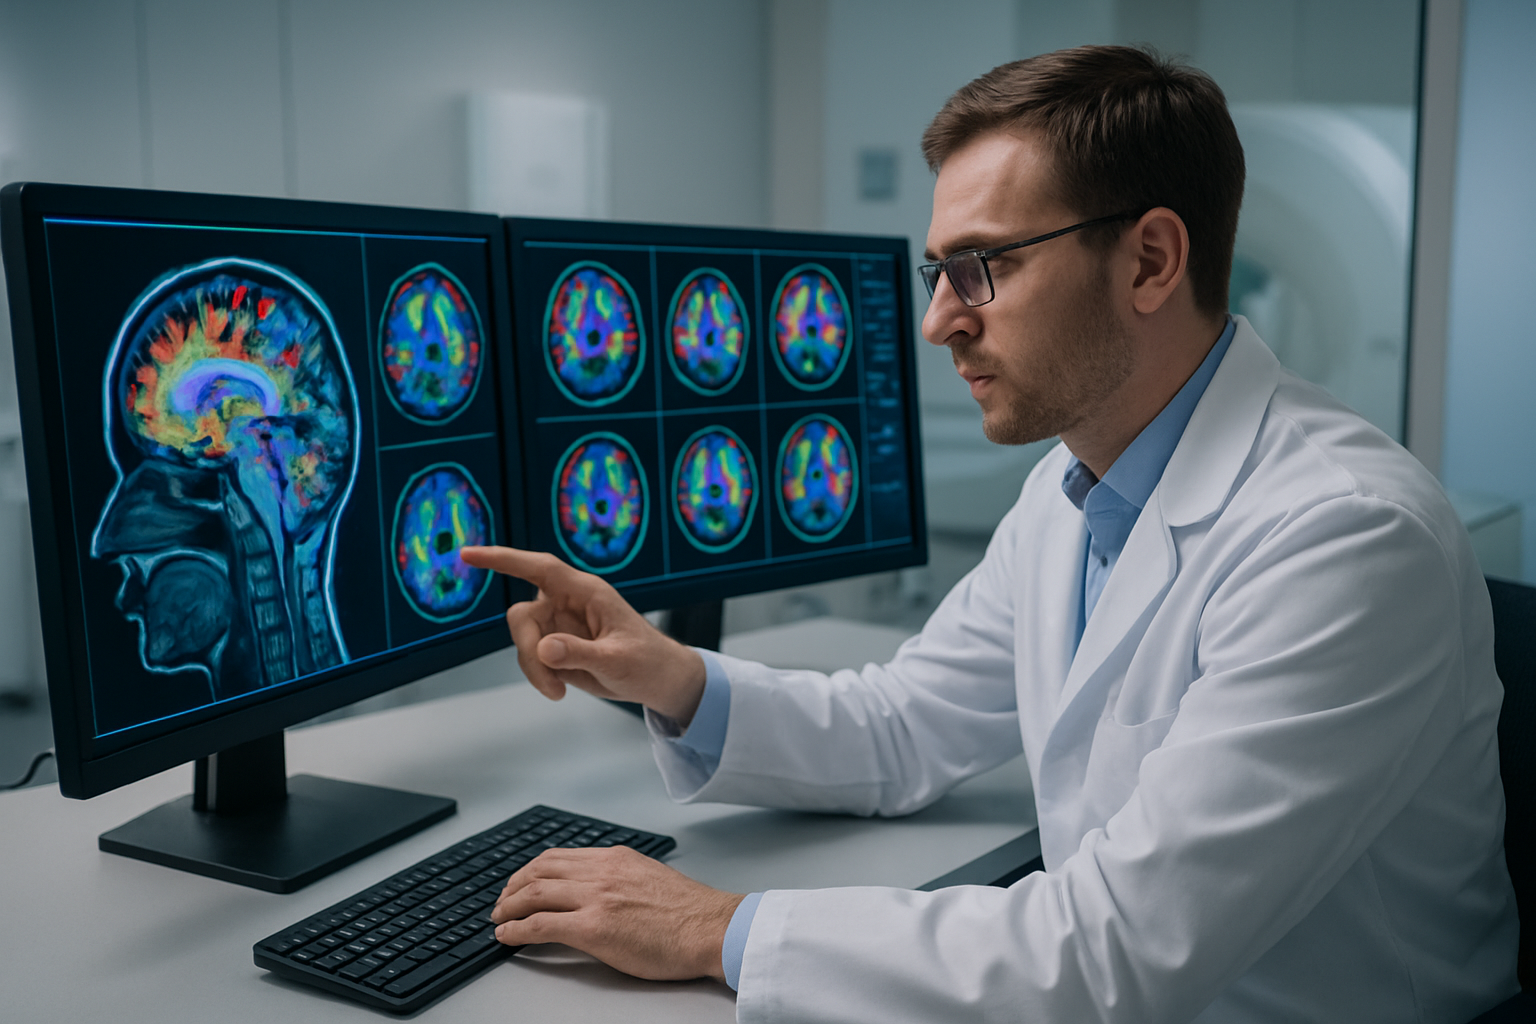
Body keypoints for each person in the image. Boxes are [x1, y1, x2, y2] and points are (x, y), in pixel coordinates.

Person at [460, 45, 1520, 1023]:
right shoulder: (1080, 480)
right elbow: (906, 726)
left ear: (1150, 260)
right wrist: (669, 675)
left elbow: (1114, 952)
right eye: (938, 273)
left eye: (984, 267)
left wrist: (716, 927)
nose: (940, 321)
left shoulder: (1344, 541)